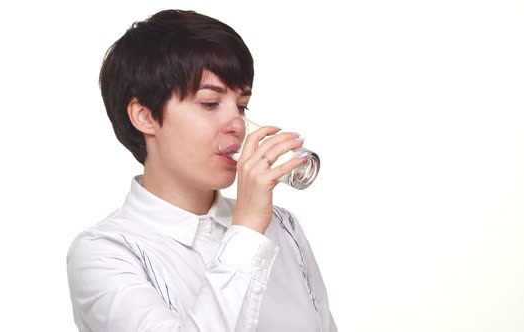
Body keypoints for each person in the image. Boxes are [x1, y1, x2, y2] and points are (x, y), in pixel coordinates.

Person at [66, 9, 337, 332]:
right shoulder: (104, 253)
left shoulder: (282, 227)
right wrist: (247, 228)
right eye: (210, 104)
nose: (237, 124)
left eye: (241, 106)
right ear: (145, 116)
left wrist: (252, 224)